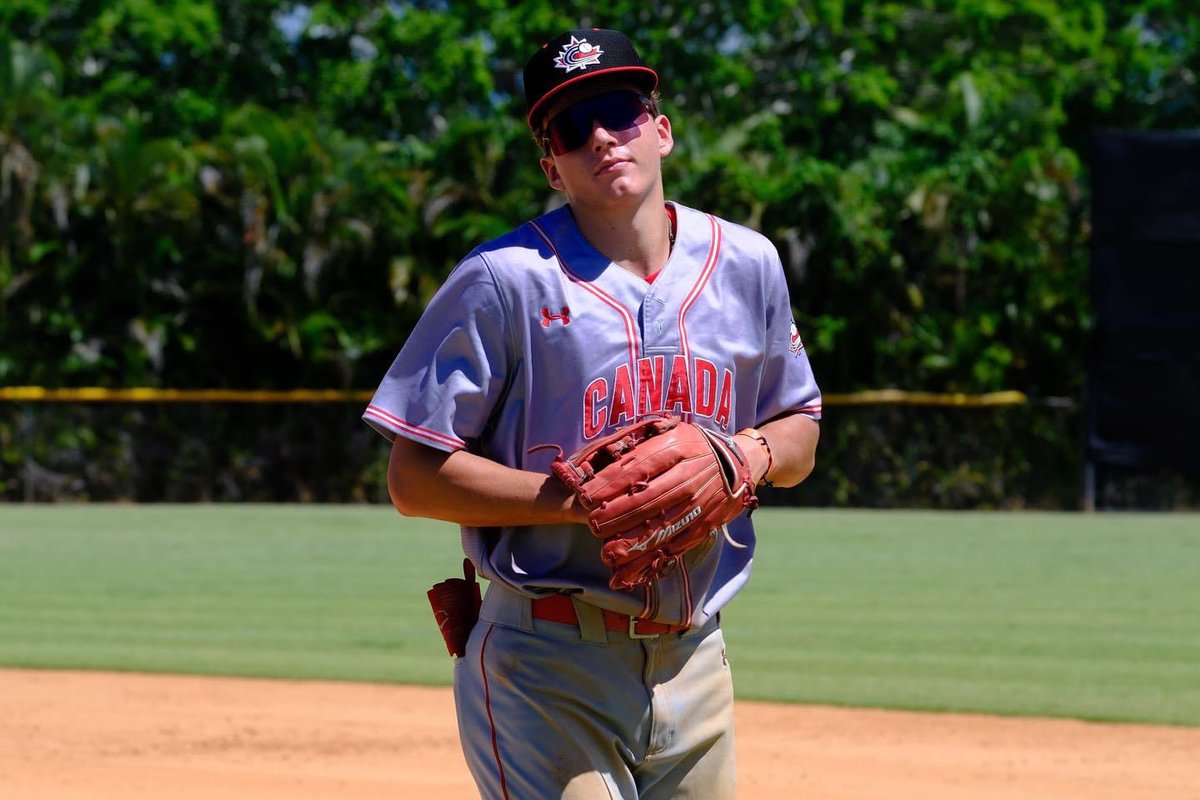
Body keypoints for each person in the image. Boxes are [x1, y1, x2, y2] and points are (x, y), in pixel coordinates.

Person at [364, 27, 822, 800]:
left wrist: (745, 457)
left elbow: (800, 428)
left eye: (619, 111)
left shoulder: (748, 264)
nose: (602, 138)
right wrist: (574, 503)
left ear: (661, 128)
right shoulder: (502, 281)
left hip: (695, 662)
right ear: (551, 166)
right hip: (546, 662)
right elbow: (413, 479)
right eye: (571, 129)